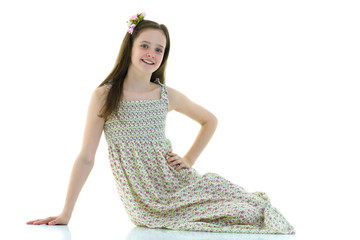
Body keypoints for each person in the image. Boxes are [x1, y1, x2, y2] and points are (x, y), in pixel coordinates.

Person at [26, 12, 296, 234]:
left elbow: (209, 120)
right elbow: (86, 157)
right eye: (144, 45)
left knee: (248, 208)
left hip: (176, 181)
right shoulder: (105, 96)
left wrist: (189, 159)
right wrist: (66, 213)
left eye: (159, 49)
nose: (151, 54)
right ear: (129, 47)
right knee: (240, 214)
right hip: (147, 198)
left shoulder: (165, 96)